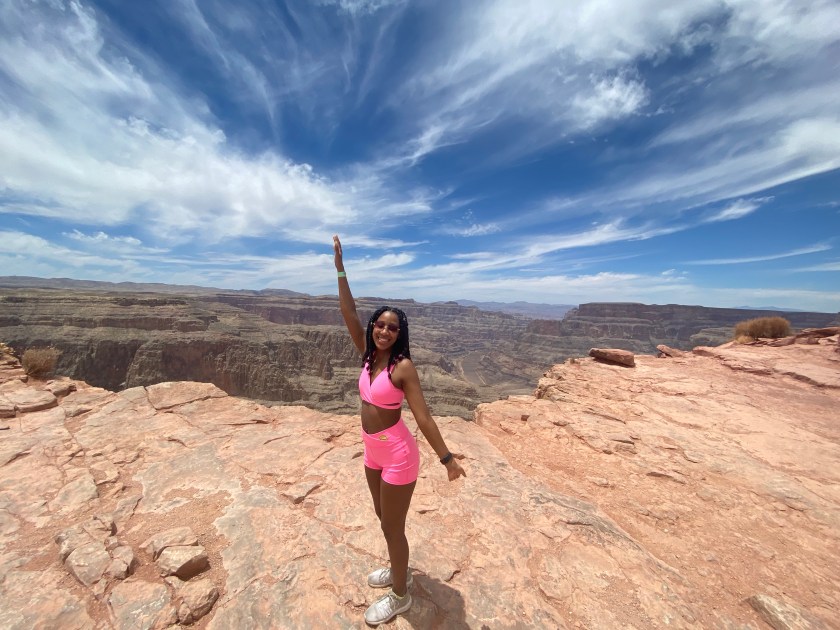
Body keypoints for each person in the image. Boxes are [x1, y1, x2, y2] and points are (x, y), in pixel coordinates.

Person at [332, 235, 466, 626]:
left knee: (393, 526)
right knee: (382, 516)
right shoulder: (367, 354)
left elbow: (423, 417)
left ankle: (400, 595)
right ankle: (398, 567)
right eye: (380, 325)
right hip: (372, 450)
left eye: (392, 328)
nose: (384, 331)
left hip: (398, 455)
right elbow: (347, 311)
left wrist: (447, 459)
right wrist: (340, 268)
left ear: (399, 333)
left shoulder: (402, 367)